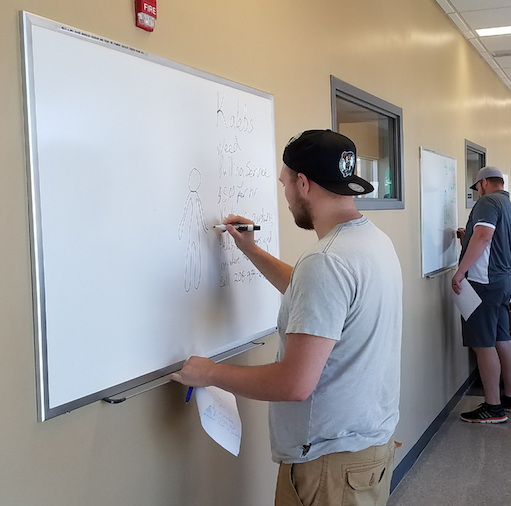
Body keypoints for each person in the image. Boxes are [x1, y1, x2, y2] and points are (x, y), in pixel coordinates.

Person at [172, 129, 402, 505]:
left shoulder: (326, 261)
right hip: (367, 450)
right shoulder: (371, 241)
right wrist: (252, 251)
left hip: (328, 466)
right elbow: (321, 298)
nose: (285, 195)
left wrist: (209, 373)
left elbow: (294, 384)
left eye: (284, 183)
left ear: (303, 183)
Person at [452, 166, 511, 423]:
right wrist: (466, 239)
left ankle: (493, 407)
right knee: (502, 339)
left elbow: (483, 237)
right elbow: (490, 242)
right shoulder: (510, 208)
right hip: (503, 281)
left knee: (483, 344)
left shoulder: (487, 201)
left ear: (483, 184)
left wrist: (460, 272)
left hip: (483, 284)